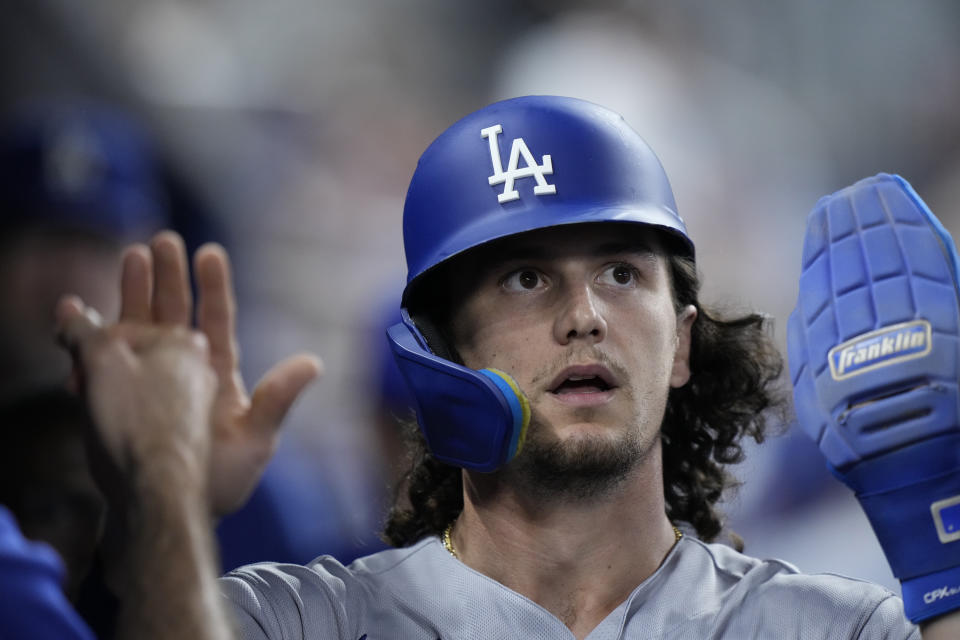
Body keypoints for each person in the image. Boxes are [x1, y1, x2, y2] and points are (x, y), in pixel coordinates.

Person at [61, 96, 960, 638]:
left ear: (681, 343)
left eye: (621, 272)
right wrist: (157, 498)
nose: (583, 316)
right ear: (442, 356)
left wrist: (941, 537)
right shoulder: (313, 620)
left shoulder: (825, 631)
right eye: (525, 279)